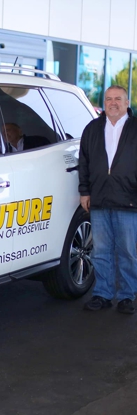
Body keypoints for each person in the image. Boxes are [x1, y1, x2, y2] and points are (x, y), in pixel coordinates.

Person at [79, 85, 137, 314]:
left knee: (128, 252)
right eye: (108, 99)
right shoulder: (92, 128)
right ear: (104, 103)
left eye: (118, 99)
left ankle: (126, 296)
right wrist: (85, 191)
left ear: (126, 103)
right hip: (100, 198)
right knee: (101, 251)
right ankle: (102, 294)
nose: (112, 103)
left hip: (129, 200)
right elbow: (83, 162)